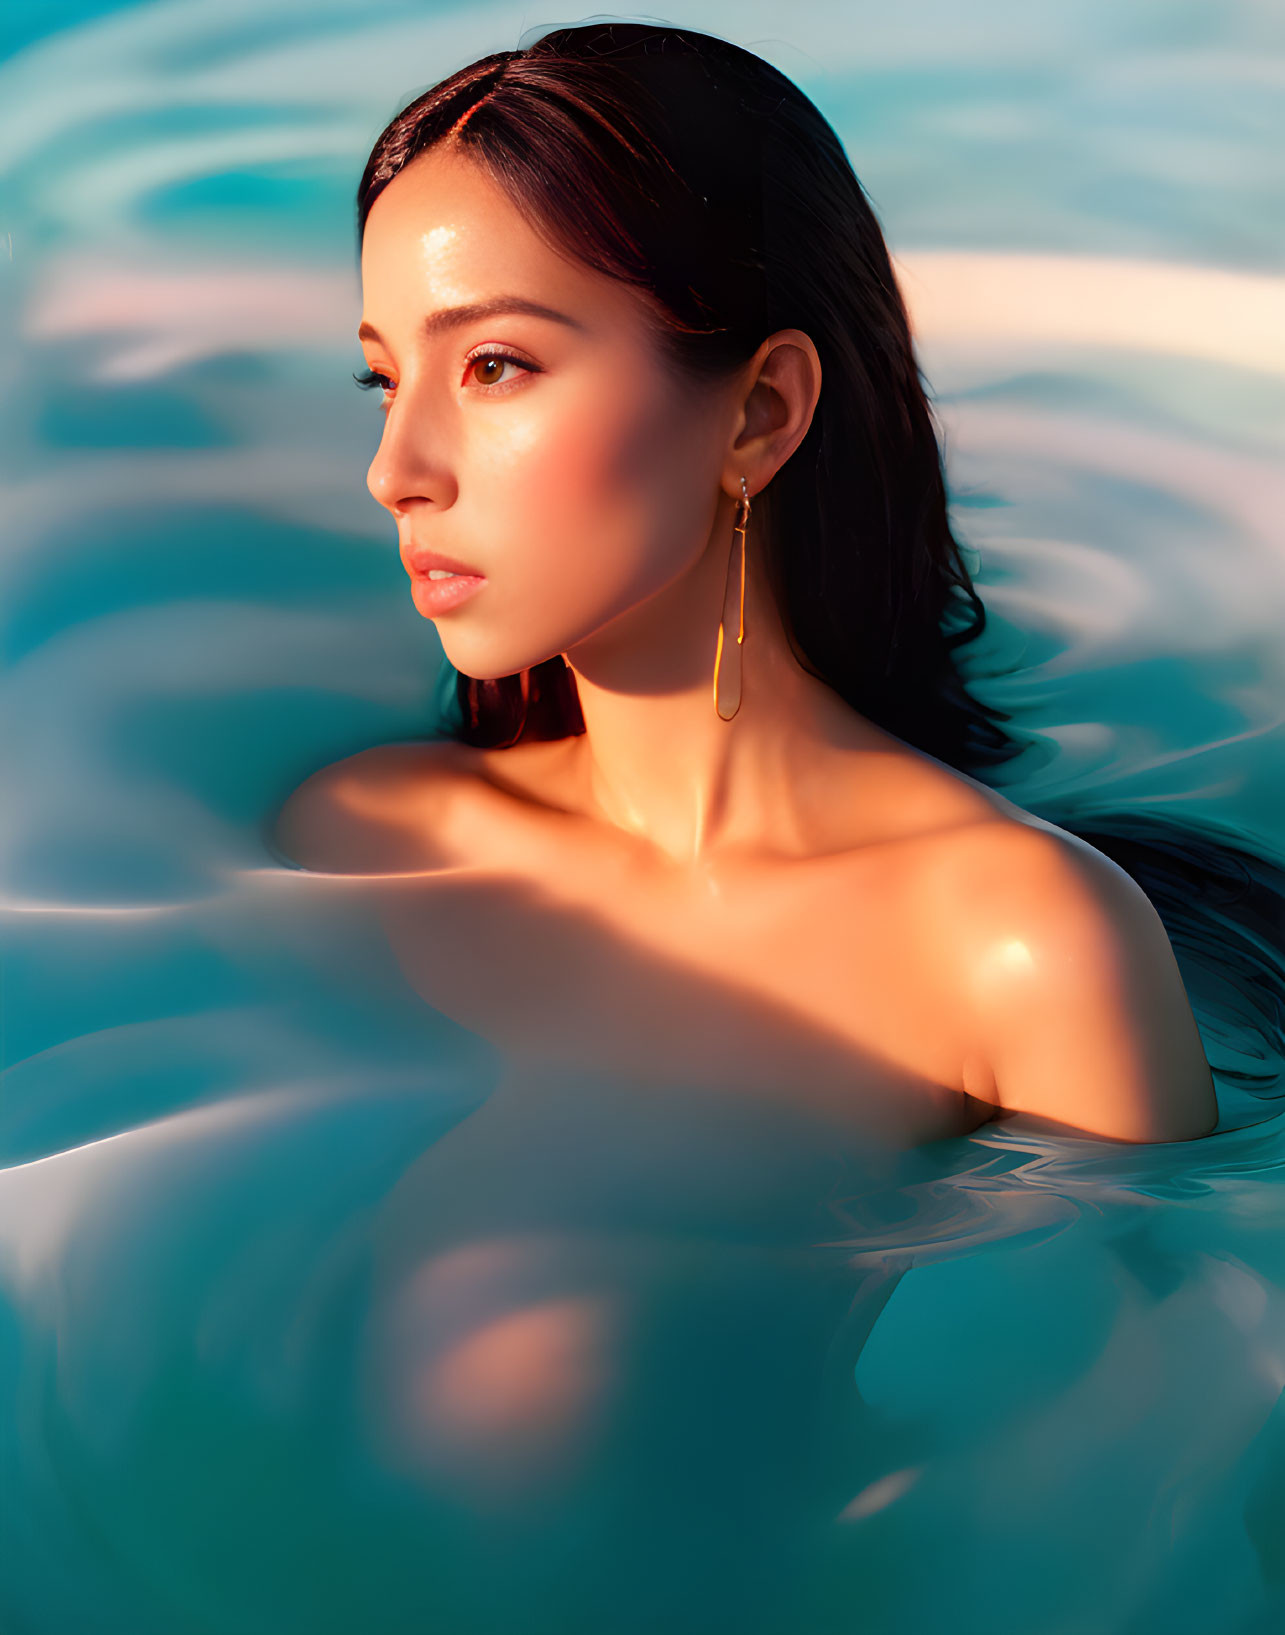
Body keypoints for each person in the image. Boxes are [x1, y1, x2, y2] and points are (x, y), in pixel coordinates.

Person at [266, 23, 1283, 1629]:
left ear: (757, 415)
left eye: (498, 365)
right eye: (385, 377)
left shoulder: (1021, 947)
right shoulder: (372, 839)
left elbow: (1148, 1502)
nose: (399, 467)